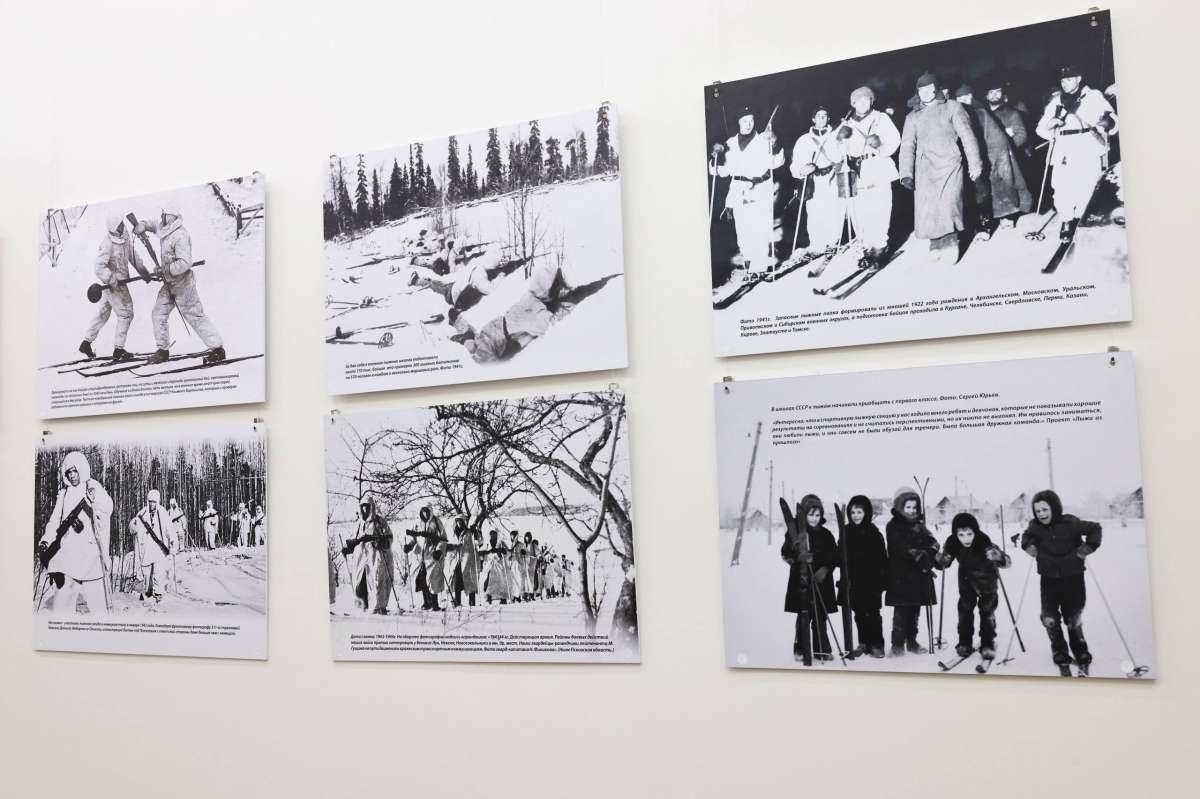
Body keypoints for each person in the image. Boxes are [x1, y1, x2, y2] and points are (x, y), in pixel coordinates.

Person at [898, 72, 983, 262]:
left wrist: (975, 164)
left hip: (950, 165)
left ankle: (951, 243)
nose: (925, 93)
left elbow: (968, 137)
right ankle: (935, 244)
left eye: (929, 89)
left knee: (949, 205)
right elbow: (907, 146)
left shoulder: (953, 107)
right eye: (921, 90)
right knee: (928, 208)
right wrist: (906, 173)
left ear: (935, 89)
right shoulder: (912, 117)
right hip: (924, 169)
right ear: (917, 92)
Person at [1020, 490, 1102, 672]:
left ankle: (1080, 650)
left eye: (1045, 509)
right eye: (1037, 511)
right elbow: (1026, 537)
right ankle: (1059, 650)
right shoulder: (1035, 526)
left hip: (1073, 578)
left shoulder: (1070, 523)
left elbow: (1095, 528)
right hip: (1048, 579)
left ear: (1054, 508)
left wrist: (1086, 548)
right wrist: (1028, 546)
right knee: (1049, 618)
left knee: (1073, 617)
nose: (1041, 514)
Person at [1035, 65, 1118, 243]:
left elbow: (1113, 123)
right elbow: (1040, 129)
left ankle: (1081, 220)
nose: (1065, 83)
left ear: (1079, 79)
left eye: (1069, 79)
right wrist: (1050, 124)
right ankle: (1066, 221)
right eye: (1063, 80)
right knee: (1062, 187)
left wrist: (1106, 123)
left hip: (1087, 146)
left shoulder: (1094, 96)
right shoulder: (1056, 101)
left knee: (1087, 186)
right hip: (1064, 149)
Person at [134, 204, 225, 365]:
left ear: (171, 216)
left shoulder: (180, 235)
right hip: (169, 282)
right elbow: (154, 224)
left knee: (195, 316)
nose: (161, 216)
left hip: (183, 284)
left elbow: (184, 263)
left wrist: (165, 269)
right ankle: (163, 350)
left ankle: (218, 349)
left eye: (164, 214)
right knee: (158, 314)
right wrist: (143, 225)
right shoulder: (165, 228)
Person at [37, 451, 114, 616]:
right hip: (68, 555)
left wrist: (95, 499)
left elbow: (108, 508)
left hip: (90, 556)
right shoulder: (64, 494)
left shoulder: (92, 486)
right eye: (68, 472)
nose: (72, 475)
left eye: (74, 471)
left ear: (81, 469)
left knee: (99, 608)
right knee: (63, 608)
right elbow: (54, 521)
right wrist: (46, 540)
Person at [711, 106, 784, 278]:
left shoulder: (764, 139)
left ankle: (758, 267)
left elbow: (777, 162)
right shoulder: (729, 144)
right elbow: (721, 171)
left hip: (760, 189)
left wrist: (774, 144)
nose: (748, 124)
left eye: (751, 120)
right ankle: (749, 263)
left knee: (760, 229)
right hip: (738, 191)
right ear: (738, 122)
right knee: (743, 231)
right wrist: (716, 156)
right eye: (744, 120)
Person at [955, 84, 1032, 238]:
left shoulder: (981, 112)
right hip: (970, 157)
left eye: (968, 96)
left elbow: (1000, 138)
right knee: (978, 192)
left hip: (993, 153)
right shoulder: (956, 113)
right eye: (961, 98)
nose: (965, 100)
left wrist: (1002, 152)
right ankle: (982, 224)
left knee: (1002, 183)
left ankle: (1006, 215)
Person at [836, 88, 901, 267]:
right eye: (858, 101)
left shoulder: (881, 118)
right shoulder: (847, 123)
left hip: (878, 165)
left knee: (880, 208)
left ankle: (880, 246)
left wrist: (880, 144)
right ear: (853, 104)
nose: (863, 103)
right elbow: (837, 152)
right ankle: (865, 246)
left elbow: (895, 140)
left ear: (872, 101)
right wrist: (840, 139)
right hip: (858, 170)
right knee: (860, 211)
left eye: (866, 99)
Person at [935, 512, 1011, 660]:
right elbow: (943, 564)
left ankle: (987, 643)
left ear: (975, 532)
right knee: (965, 611)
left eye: (969, 534)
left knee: (987, 612)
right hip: (966, 581)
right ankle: (964, 643)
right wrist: (940, 559)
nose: (966, 539)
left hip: (987, 582)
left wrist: (998, 556)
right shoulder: (953, 543)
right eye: (961, 535)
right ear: (956, 534)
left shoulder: (984, 542)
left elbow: (1007, 562)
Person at [79, 213, 153, 361]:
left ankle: (86, 343)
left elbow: (133, 256)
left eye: (122, 224)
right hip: (115, 285)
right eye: (119, 225)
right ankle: (119, 350)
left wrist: (143, 272)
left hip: (118, 283)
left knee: (103, 313)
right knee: (126, 314)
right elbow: (99, 267)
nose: (122, 227)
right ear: (113, 227)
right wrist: (111, 279)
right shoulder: (107, 244)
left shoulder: (125, 238)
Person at [781, 494, 839, 664]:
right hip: (802, 581)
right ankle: (800, 648)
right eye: (810, 515)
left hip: (822, 583)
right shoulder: (795, 533)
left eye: (817, 515)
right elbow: (785, 553)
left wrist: (826, 569)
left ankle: (822, 650)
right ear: (804, 515)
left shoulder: (826, 534)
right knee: (803, 616)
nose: (814, 518)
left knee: (820, 616)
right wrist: (798, 557)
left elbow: (834, 556)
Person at [884, 487, 939, 656]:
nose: (912, 511)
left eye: (915, 507)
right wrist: (921, 554)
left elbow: (933, 542)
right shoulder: (893, 526)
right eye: (908, 507)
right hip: (900, 576)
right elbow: (901, 548)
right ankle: (897, 644)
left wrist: (930, 551)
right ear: (900, 507)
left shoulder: (920, 526)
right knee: (901, 611)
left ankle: (912, 642)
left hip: (918, 575)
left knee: (915, 610)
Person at [791, 107, 847, 262]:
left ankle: (833, 242)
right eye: (818, 116)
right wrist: (802, 170)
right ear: (813, 119)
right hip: (814, 181)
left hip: (832, 176)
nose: (821, 118)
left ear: (828, 118)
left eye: (825, 115)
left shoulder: (835, 135)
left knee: (835, 209)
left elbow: (844, 153)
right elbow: (795, 164)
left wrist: (840, 162)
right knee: (815, 212)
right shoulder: (804, 140)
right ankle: (817, 244)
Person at [837, 495, 889, 658]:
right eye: (852, 512)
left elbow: (883, 558)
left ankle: (877, 644)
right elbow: (840, 556)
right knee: (859, 613)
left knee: (873, 614)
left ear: (867, 513)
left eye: (859, 512)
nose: (856, 516)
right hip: (853, 581)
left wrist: (882, 580)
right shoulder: (845, 532)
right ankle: (864, 643)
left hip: (872, 581)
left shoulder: (874, 533)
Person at [341, 495, 395, 614]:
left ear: (371, 507)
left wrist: (382, 542)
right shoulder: (359, 523)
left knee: (376, 581)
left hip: (376, 556)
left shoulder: (379, 521)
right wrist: (347, 548)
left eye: (367, 506)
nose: (365, 509)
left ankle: (379, 607)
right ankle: (363, 608)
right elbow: (353, 538)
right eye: (363, 506)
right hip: (361, 557)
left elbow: (389, 537)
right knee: (361, 581)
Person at [131, 489, 173, 602]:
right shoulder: (142, 513)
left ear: (157, 501)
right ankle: (147, 592)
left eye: (154, 501)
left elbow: (169, 528)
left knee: (158, 572)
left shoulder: (163, 512)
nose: (151, 504)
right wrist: (133, 526)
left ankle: (158, 593)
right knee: (146, 572)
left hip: (159, 548)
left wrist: (173, 540)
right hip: (146, 548)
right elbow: (133, 528)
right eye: (150, 501)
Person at [408, 506, 447, 611]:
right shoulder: (417, 523)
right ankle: (426, 602)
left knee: (433, 579)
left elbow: (443, 538)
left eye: (427, 511)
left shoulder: (436, 522)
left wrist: (439, 550)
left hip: (432, 555)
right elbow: (414, 539)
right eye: (423, 511)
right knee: (421, 579)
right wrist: (409, 546)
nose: (425, 514)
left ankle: (434, 603)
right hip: (420, 556)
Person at [480, 529, 512, 604]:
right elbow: (480, 552)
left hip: (499, 564)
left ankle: (503, 598)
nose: (493, 536)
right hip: (490, 564)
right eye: (492, 535)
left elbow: (508, 552)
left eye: (495, 535)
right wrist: (488, 552)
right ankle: (489, 596)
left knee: (501, 581)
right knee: (488, 580)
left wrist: (502, 551)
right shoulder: (487, 543)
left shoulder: (501, 543)